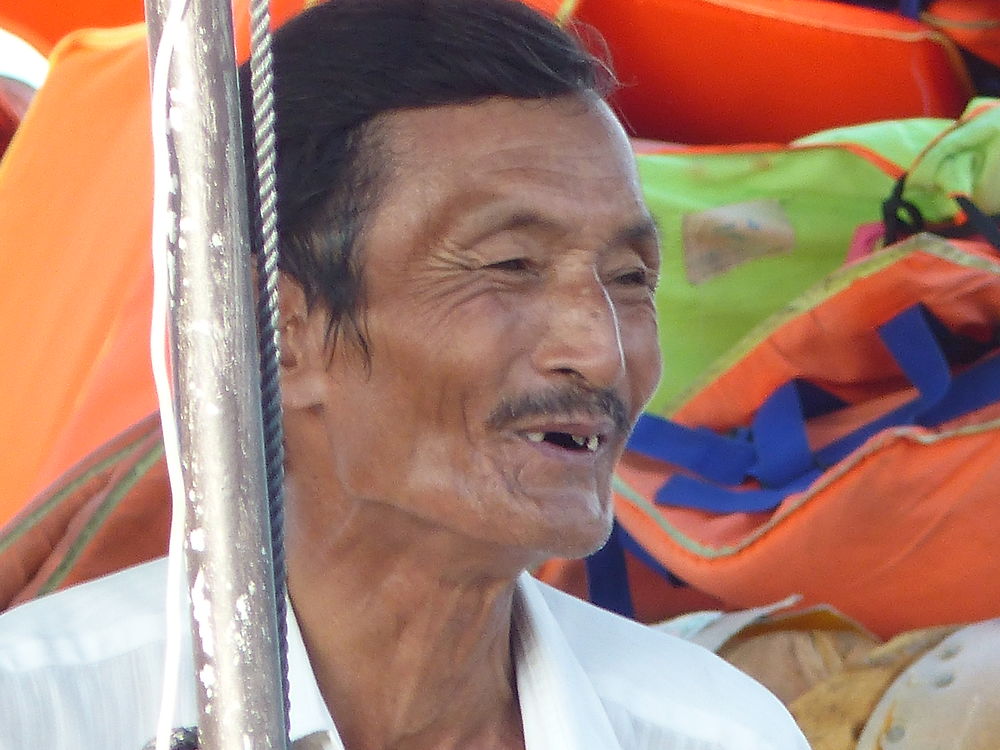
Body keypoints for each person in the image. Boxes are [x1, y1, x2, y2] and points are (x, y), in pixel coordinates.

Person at [0, 1, 810, 748]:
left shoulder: (719, 733)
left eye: (631, 278)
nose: (600, 352)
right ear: (281, 331)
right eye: (510, 265)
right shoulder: (40, 714)